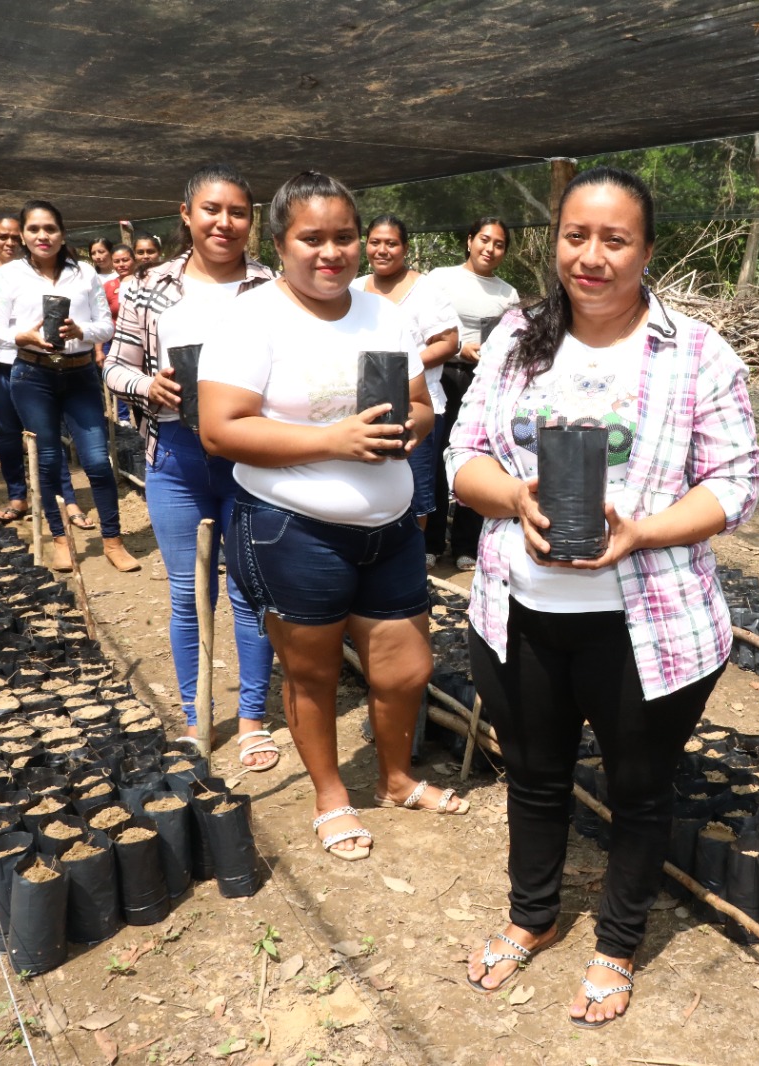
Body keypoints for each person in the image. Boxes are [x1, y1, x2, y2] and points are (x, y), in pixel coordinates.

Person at [450, 167, 759, 1028]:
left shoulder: (698, 352)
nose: (591, 256)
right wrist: (515, 497)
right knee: (537, 778)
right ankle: (532, 916)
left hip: (648, 626)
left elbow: (735, 483)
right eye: (575, 236)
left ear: (648, 251)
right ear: (555, 244)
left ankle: (618, 942)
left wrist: (646, 530)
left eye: (614, 239)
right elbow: (463, 454)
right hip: (518, 614)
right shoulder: (517, 337)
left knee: (639, 788)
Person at [199, 171, 456, 864]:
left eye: (344, 236)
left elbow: (419, 404)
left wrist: (412, 430)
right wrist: (330, 441)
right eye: (312, 238)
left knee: (405, 668)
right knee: (311, 674)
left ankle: (398, 777)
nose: (331, 252)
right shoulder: (252, 319)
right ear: (279, 242)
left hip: (391, 526)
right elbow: (221, 430)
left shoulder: (384, 314)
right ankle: (332, 795)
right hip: (292, 527)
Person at [104, 164, 280, 771]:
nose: (224, 222)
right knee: (188, 593)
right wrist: (147, 386)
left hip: (248, 461)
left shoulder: (270, 288)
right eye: (211, 209)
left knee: (251, 592)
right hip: (174, 459)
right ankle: (196, 714)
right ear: (187, 215)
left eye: (237, 211)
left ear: (250, 220)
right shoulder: (148, 287)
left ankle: (254, 717)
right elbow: (114, 366)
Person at [0, 199, 139, 574]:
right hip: (32, 376)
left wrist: (82, 331)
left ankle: (113, 541)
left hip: (80, 374)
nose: (42, 236)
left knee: (99, 462)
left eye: (50, 229)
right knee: (49, 461)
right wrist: (21, 337)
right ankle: (61, 538)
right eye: (34, 229)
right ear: (23, 235)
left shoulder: (84, 273)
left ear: (62, 234)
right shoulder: (8, 276)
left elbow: (107, 325)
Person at [0, 212, 86, 526]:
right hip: (0, 366)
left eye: (15, 236)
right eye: (3, 236)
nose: (10, 242)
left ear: (24, 238)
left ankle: (66, 498)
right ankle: (17, 496)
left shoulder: (43, 272)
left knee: (50, 433)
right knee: (7, 433)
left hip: (43, 367)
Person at [352, 214, 459, 559]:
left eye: (391, 243)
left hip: (417, 405)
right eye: (375, 242)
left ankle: (413, 558)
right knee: (367, 483)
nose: (382, 250)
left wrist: (402, 371)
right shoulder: (353, 287)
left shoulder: (424, 289)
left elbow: (449, 341)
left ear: (405, 248)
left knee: (416, 487)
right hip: (363, 409)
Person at [428, 217, 519, 569]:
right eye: (484, 239)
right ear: (469, 240)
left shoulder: (507, 293)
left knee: (479, 458)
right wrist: (460, 350)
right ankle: (431, 542)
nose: (490, 248)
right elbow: (425, 330)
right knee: (437, 458)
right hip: (445, 376)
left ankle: (467, 544)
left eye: (499, 244)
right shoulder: (441, 278)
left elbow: (510, 339)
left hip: (485, 381)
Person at [103, 245, 135, 320]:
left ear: (134, 259)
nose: (121, 265)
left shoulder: (144, 282)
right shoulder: (107, 287)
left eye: (125, 260)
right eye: (116, 261)